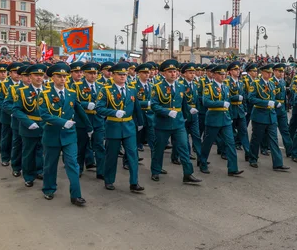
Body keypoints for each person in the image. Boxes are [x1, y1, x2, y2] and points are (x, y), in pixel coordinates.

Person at [38, 63, 90, 206]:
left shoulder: (71, 93)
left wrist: (89, 127)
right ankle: (48, 189)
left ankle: (76, 195)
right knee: (50, 165)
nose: (62, 79)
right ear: (52, 78)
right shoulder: (44, 94)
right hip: (52, 134)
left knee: (73, 164)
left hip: (69, 136)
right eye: (59, 76)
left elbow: (79, 110)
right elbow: (44, 115)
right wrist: (62, 122)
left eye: (64, 76)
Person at [95, 62, 145, 193]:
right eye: (120, 74)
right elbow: (99, 108)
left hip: (129, 127)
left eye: (125, 74)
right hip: (113, 127)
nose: (123, 77)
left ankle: (134, 182)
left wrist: (140, 123)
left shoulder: (131, 89)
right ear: (113, 75)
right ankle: (109, 180)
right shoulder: (106, 90)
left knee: (132, 155)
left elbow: (137, 108)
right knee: (111, 156)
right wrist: (113, 112)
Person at [150, 60, 201, 183]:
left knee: (183, 147)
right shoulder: (157, 87)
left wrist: (190, 110)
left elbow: (183, 104)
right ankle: (156, 171)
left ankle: (188, 174)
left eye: (175, 71)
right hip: (163, 123)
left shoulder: (180, 86)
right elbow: (154, 105)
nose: (173, 74)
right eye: (170, 72)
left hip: (178, 123)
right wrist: (166, 112)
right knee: (159, 148)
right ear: (163, 73)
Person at [199, 65, 243, 176]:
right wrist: (221, 103)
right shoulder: (208, 87)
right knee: (207, 143)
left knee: (230, 143)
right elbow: (206, 102)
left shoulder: (225, 87)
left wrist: (230, 115)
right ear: (214, 75)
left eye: (224, 74)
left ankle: (233, 168)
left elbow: (228, 102)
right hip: (213, 118)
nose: (223, 76)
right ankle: (202, 163)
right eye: (220, 74)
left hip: (225, 119)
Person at [248, 64, 290, 171]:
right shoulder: (256, 84)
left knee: (274, 140)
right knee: (256, 139)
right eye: (268, 72)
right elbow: (251, 99)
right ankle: (252, 158)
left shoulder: (271, 84)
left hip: (271, 116)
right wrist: (267, 103)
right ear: (262, 72)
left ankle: (278, 163)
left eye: (271, 73)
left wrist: (276, 103)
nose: (269, 74)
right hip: (260, 116)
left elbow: (273, 97)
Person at [13, 64, 46, 186]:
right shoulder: (22, 91)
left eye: (41, 75)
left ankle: (39, 170)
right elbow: (16, 110)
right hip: (29, 127)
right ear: (30, 77)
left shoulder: (48, 90)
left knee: (40, 150)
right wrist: (28, 122)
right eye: (36, 75)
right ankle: (28, 176)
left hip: (44, 126)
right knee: (28, 152)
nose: (39, 78)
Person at [74, 62, 106, 180]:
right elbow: (73, 102)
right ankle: (78, 169)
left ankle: (101, 171)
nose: (93, 76)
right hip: (83, 120)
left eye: (95, 73)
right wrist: (86, 104)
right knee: (81, 147)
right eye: (90, 73)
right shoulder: (77, 86)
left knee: (99, 146)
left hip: (98, 120)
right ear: (84, 74)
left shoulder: (101, 86)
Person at [0, 62, 22, 167]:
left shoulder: (25, 84)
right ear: (10, 73)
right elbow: (0, 102)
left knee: (18, 141)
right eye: (15, 72)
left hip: (20, 119)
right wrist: (14, 112)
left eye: (19, 72)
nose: (18, 74)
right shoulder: (3, 84)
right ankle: (5, 157)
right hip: (8, 116)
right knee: (7, 138)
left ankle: (17, 159)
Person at [225, 62, 251, 161]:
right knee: (229, 133)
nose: (238, 71)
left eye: (239, 69)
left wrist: (244, 109)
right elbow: (226, 97)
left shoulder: (241, 83)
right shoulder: (226, 82)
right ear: (230, 72)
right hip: (230, 109)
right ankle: (226, 151)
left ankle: (248, 152)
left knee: (244, 132)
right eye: (235, 70)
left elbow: (243, 97)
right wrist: (235, 97)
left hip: (240, 110)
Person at [179, 63, 202, 162]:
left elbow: (196, 100)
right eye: (190, 73)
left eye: (193, 73)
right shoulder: (179, 85)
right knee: (183, 138)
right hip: (184, 113)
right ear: (184, 74)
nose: (192, 75)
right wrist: (188, 109)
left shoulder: (195, 84)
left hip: (194, 114)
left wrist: (198, 111)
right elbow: (179, 101)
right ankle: (182, 155)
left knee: (196, 136)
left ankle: (201, 159)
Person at [270, 63, 294, 157]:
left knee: (285, 130)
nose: (281, 73)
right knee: (271, 130)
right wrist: (275, 103)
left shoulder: (283, 82)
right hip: (273, 108)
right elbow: (269, 96)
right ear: (274, 71)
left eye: (282, 71)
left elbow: (284, 96)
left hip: (282, 109)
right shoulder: (271, 81)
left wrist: (285, 106)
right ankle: (264, 147)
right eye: (279, 71)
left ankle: (289, 150)